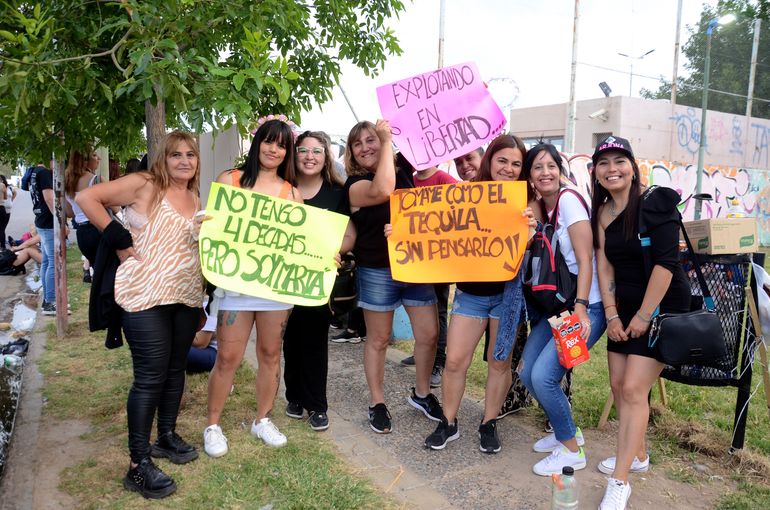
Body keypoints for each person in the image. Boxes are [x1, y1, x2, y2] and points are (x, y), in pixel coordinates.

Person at [77, 131, 205, 499]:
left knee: (175, 368)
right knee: (149, 377)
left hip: (184, 294)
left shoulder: (195, 196)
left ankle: (165, 436)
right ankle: (137, 464)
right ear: (162, 159)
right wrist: (118, 237)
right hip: (144, 295)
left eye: (190, 155)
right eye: (175, 154)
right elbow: (88, 197)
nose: (184, 161)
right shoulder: (144, 184)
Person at [590, 136, 690, 510]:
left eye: (619, 161)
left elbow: (667, 264)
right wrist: (613, 314)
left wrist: (644, 316)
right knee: (618, 386)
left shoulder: (656, 202)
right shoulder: (601, 212)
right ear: (595, 172)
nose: (611, 169)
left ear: (633, 166)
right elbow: (604, 264)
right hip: (625, 308)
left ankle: (621, 480)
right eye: (603, 163)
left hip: (660, 307)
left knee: (633, 389)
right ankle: (639, 455)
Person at [423, 135, 535, 453]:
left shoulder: (526, 197)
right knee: (456, 361)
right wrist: (401, 232)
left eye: (516, 163)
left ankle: (488, 422)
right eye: (503, 161)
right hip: (471, 293)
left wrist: (532, 228)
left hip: (507, 296)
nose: (509, 169)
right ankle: (448, 421)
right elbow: (436, 230)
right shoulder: (466, 194)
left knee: (499, 363)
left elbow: (534, 240)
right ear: (490, 161)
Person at [203, 118, 302, 456]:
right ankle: (212, 425)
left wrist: (325, 255)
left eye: (281, 144)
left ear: (286, 151)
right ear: (257, 142)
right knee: (228, 356)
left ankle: (263, 419)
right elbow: (213, 228)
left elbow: (303, 243)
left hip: (276, 288)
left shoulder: (292, 193)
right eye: (268, 142)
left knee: (271, 354)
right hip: (235, 284)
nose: (273, 149)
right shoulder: (229, 180)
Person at [344, 119, 442, 434]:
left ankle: (423, 393)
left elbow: (433, 136)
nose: (365, 147)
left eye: (370, 140)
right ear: (351, 153)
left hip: (415, 265)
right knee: (380, 339)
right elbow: (383, 189)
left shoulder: (403, 168)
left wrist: (467, 102)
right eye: (357, 144)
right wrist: (386, 141)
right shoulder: (353, 186)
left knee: (428, 335)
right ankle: (377, 402)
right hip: (376, 270)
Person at [517, 143, 607, 476]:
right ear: (530, 176)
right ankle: (566, 431)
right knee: (527, 371)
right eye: (537, 168)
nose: (545, 173)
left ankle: (571, 452)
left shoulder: (568, 201)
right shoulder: (545, 206)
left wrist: (583, 308)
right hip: (561, 308)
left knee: (544, 376)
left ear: (561, 169)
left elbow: (586, 259)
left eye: (550, 166)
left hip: (587, 306)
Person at [283, 130, 355, 432]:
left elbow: (349, 235)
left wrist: (336, 250)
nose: (309, 156)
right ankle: (294, 397)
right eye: (303, 150)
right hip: (281, 276)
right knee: (289, 340)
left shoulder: (337, 194)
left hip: (317, 277)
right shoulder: (282, 190)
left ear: (326, 157)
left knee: (313, 339)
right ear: (294, 155)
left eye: (316, 151)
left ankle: (317, 404)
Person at [400, 165, 458, 387]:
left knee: (439, 311)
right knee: (421, 312)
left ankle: (438, 362)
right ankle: (423, 354)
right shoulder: (409, 179)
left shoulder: (444, 179)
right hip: (416, 261)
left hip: (439, 262)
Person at [64, 149, 103, 283]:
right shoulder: (96, 180)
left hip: (82, 234)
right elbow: (114, 208)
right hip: (99, 231)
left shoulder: (68, 182)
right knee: (107, 276)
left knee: (98, 275)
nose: (99, 158)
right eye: (94, 155)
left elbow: (69, 213)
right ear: (84, 160)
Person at [29, 162, 57, 315]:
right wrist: (60, 220)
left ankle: (48, 300)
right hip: (48, 222)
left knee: (47, 261)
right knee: (53, 262)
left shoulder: (35, 172)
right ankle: (50, 301)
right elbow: (49, 199)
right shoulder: (45, 173)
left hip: (41, 220)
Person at [188, 303, 217, 373]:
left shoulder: (209, 303)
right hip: (197, 346)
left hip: (214, 352)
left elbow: (200, 343)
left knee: (170, 350)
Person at [0, 175, 17, 251]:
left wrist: (11, 201)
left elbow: (14, 193)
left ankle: (2, 244)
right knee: (1, 229)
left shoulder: (9, 187)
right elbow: (5, 197)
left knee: (2, 228)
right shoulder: (2, 186)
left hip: (7, 210)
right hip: (2, 208)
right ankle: (2, 245)